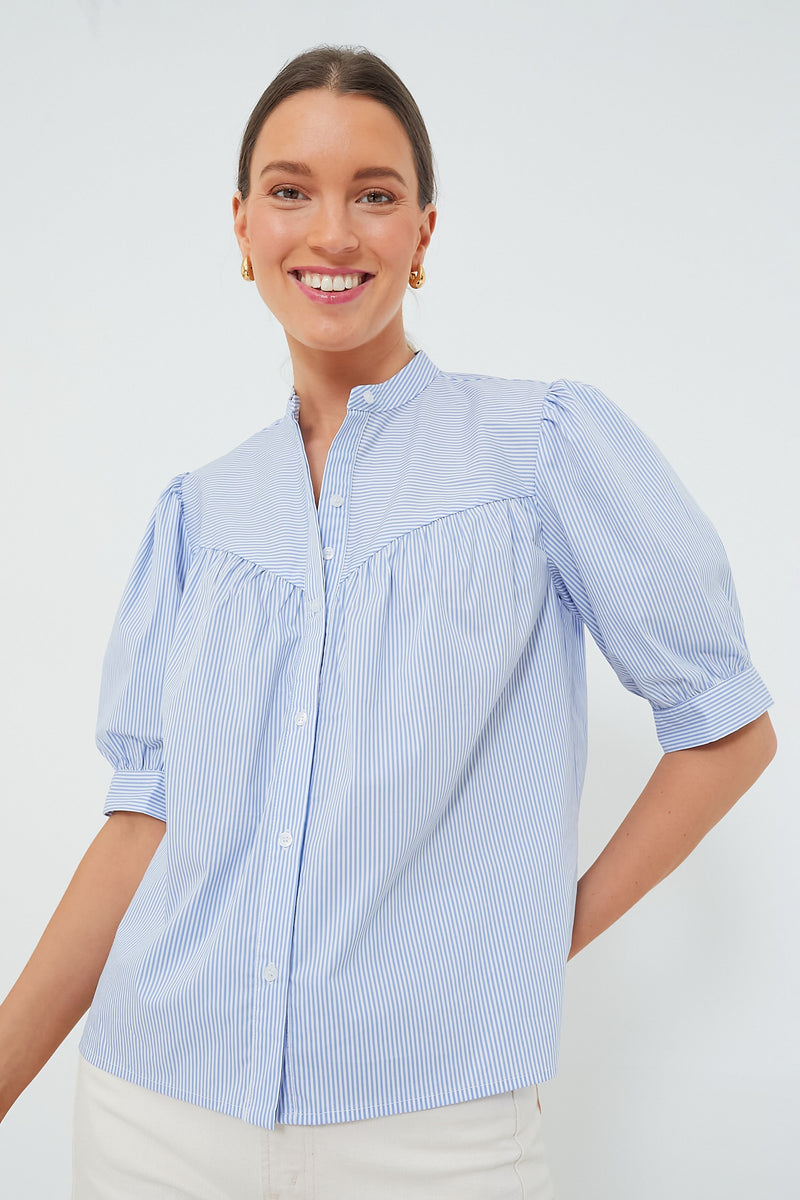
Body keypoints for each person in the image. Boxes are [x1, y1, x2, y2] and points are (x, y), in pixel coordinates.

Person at [0, 43, 777, 1200]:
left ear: (421, 234)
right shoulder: (199, 514)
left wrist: (540, 938)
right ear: (241, 225)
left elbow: (724, 728)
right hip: (154, 1113)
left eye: (373, 195)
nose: (331, 231)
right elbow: (140, 825)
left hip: (434, 1137)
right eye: (289, 190)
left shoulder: (537, 450)